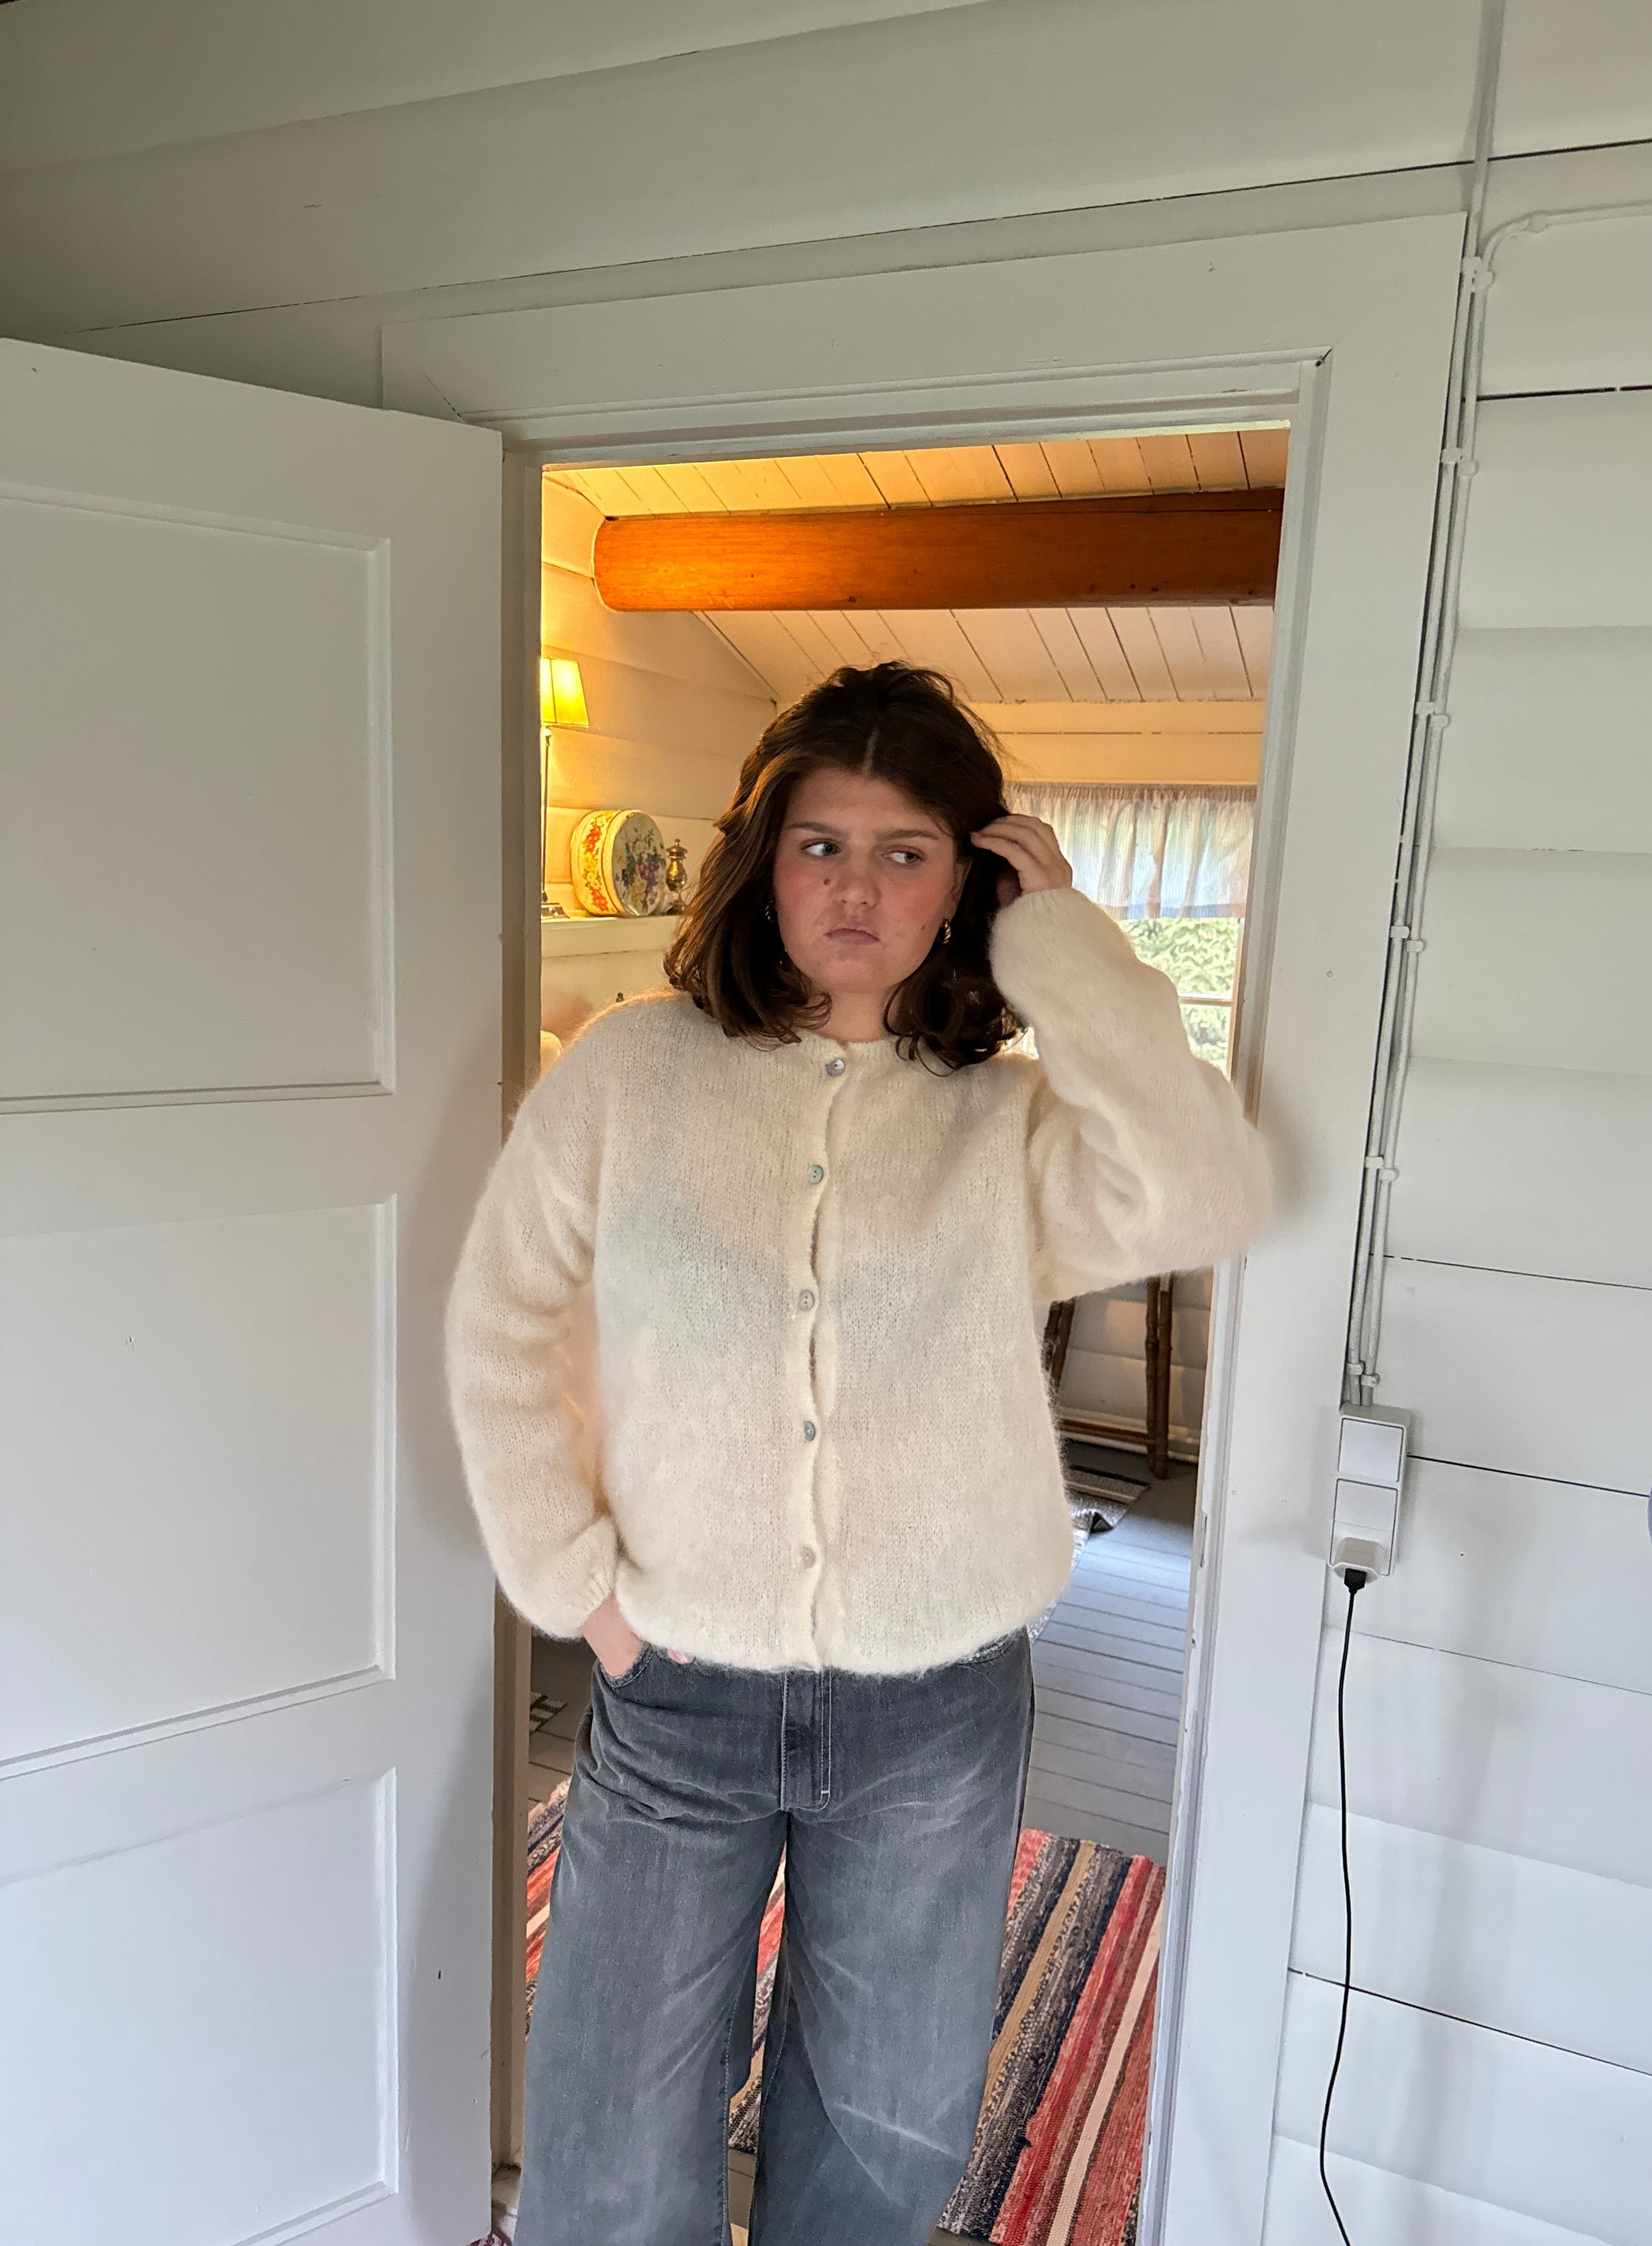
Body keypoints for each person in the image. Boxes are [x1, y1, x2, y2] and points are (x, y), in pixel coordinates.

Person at [445, 661, 1273, 2246]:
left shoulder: (1006, 1120)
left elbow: (1204, 1190)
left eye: (908, 852)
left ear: (966, 883)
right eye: (822, 843)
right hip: (674, 1683)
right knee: (609, 2137)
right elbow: (505, 1319)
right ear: (764, 859)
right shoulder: (630, 1068)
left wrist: (1064, 942)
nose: (857, 889)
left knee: (884, 2138)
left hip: (935, 1707)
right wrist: (578, 1592)